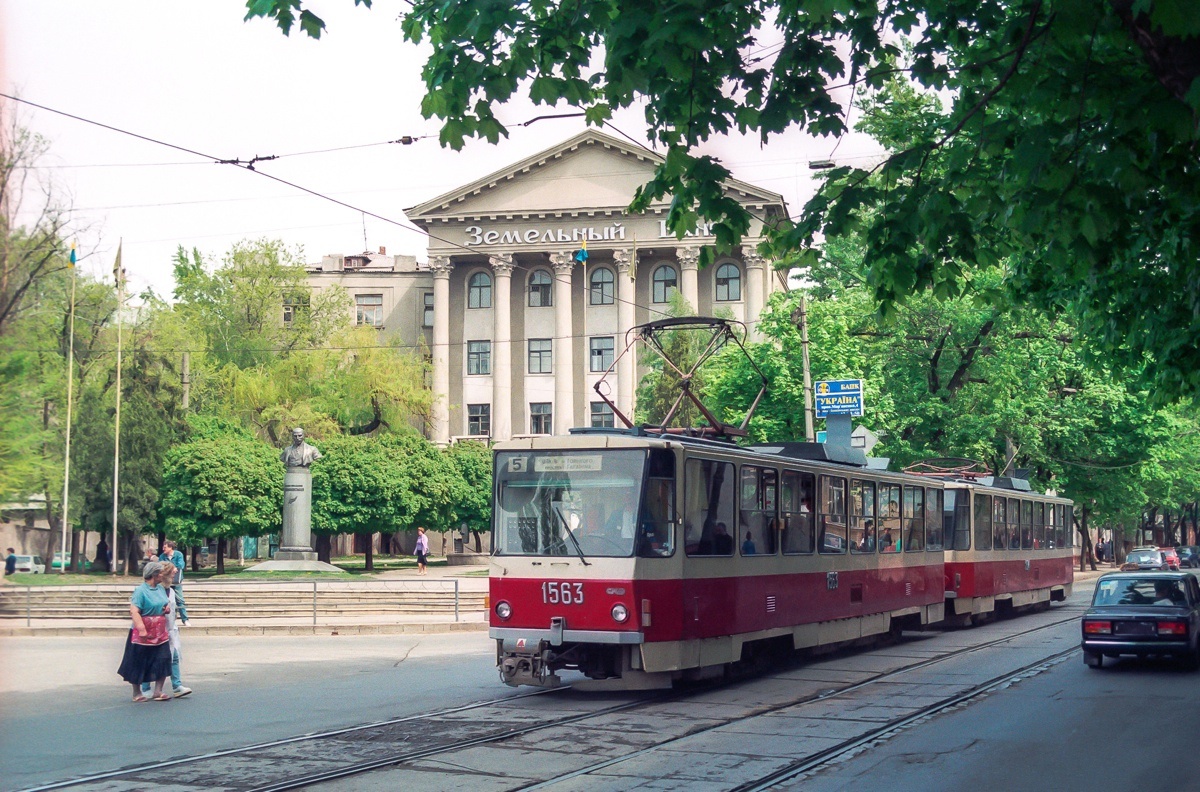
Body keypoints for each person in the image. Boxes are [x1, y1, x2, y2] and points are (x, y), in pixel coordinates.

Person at [117, 561, 172, 702]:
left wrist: (166, 609)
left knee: (163, 658)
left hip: (159, 630)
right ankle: (137, 692)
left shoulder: (160, 589)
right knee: (139, 661)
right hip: (144, 630)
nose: (162, 575)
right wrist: (141, 629)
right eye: (160, 572)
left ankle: (158, 691)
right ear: (153, 574)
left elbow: (164, 603)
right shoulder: (140, 591)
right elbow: (134, 611)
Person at [141, 562, 191, 699]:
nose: (175, 572)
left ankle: (177, 686)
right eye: (173, 571)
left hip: (170, 630)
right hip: (155, 630)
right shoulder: (155, 590)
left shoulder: (172, 591)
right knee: (151, 659)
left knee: (173, 657)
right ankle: (145, 687)